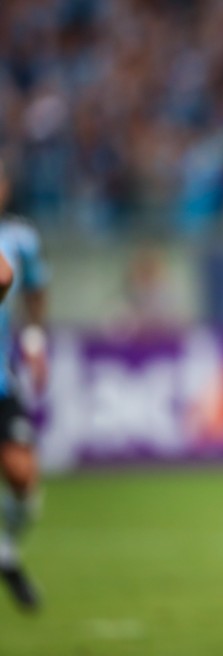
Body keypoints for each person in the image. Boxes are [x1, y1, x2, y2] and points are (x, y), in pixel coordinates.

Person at [0, 158, 50, 612]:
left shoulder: (19, 238)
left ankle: (6, 553)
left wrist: (34, 339)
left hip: (0, 379)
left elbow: (30, 288)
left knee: (22, 476)